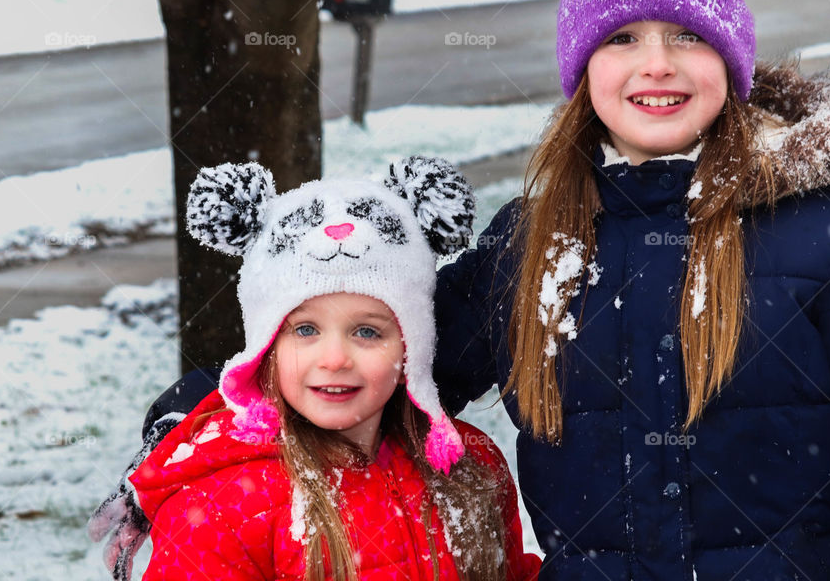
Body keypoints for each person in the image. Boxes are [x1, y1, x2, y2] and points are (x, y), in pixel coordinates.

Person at [93, 0, 830, 578]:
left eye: (688, 34)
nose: (657, 64)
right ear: (581, 71)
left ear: (732, 60)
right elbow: (381, 357)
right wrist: (202, 416)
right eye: (622, 38)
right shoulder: (532, 246)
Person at [92, 157, 541, 580]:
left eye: (367, 332)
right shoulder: (223, 505)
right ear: (267, 348)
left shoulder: (470, 468)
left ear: (412, 347)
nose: (334, 358)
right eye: (305, 330)